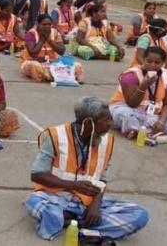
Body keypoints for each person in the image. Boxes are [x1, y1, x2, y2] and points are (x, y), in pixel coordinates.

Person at [25, 96, 149, 241]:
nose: (110, 123)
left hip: (87, 202)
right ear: (89, 122)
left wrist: (95, 206)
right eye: (106, 119)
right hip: (55, 198)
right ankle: (83, 225)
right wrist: (72, 185)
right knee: (34, 202)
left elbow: (102, 180)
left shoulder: (107, 140)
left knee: (140, 214)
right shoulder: (55, 136)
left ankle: (72, 223)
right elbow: (37, 174)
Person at [110, 47, 167, 141]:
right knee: (125, 115)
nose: (152, 65)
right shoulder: (130, 75)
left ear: (163, 63)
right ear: (143, 60)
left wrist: (161, 122)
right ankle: (149, 133)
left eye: (157, 63)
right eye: (148, 61)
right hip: (129, 109)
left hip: (153, 114)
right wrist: (143, 86)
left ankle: (145, 132)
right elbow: (132, 103)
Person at [21, 14, 84, 84]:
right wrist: (42, 39)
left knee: (76, 65)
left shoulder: (54, 32)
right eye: (44, 24)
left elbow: (62, 51)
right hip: (32, 62)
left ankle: (52, 75)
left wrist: (50, 40)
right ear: (37, 24)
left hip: (51, 64)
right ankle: (59, 75)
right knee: (35, 66)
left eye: (49, 24)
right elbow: (33, 53)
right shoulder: (31, 33)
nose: (47, 27)